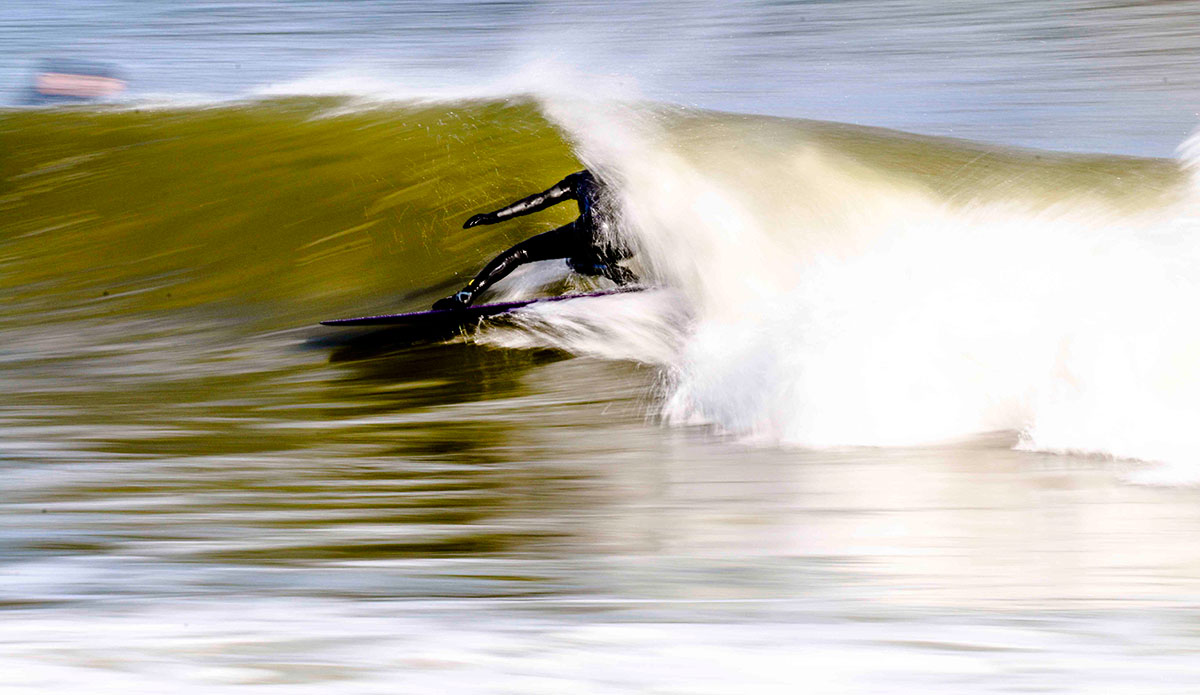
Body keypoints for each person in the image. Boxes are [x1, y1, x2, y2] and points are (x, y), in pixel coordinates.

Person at [433, 170, 637, 310]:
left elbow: (540, 200)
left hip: (589, 235)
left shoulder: (581, 178)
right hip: (626, 243)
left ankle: (466, 295)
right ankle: (612, 270)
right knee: (576, 261)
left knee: (520, 253)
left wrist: (493, 216)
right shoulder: (633, 177)